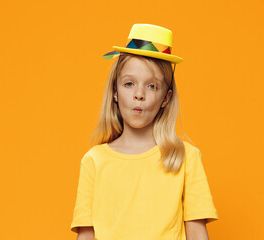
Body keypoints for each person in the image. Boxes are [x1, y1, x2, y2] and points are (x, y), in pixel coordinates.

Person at [70, 23, 218, 240]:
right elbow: (86, 235)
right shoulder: (94, 161)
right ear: (115, 92)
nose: (139, 94)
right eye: (129, 83)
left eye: (152, 86)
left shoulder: (185, 158)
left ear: (165, 99)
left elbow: (196, 233)